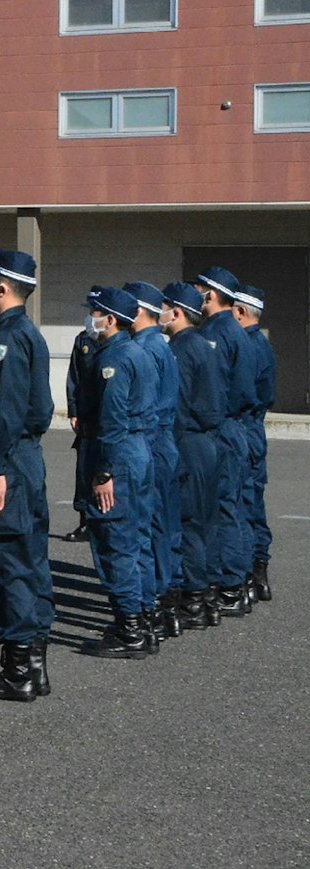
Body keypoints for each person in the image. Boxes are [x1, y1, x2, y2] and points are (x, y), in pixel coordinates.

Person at [0, 249, 56, 702]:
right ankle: (34, 662)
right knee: (30, 556)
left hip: (12, 460)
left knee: (9, 560)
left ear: (1, 288)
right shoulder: (28, 332)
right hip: (27, 458)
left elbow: (6, 409)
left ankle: (20, 668)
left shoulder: (8, 335)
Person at [76, 288, 155, 659]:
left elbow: (112, 417)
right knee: (135, 536)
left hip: (118, 454)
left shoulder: (116, 360)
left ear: (110, 319)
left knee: (115, 539)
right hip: (136, 451)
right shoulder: (134, 351)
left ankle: (130, 628)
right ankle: (142, 617)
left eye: (95, 313)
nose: (91, 319)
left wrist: (103, 471)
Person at [160, 282, 227, 631]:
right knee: (207, 522)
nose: (161, 313)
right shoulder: (205, 345)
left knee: (188, 523)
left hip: (187, 440)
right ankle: (210, 594)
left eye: (165, 306)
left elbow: (179, 402)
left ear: (178, 311)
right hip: (209, 442)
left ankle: (195, 599)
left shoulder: (182, 349)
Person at [193, 267, 257, 617]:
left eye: (199, 288)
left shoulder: (217, 333)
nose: (195, 293)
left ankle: (230, 585)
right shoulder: (234, 330)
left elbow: (213, 391)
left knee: (222, 510)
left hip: (223, 429)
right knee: (232, 507)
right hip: (236, 427)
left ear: (211, 294)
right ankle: (239, 581)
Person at [124, 281, 182, 641]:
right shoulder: (158, 344)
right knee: (163, 524)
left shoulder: (144, 348)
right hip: (163, 440)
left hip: (151, 440)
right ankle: (165, 599)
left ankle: (156, 603)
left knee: (149, 525)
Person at [232, 283, 275, 603]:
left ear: (241, 312)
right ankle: (258, 573)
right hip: (254, 428)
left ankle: (246, 575)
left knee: (242, 503)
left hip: (245, 426)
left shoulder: (247, 345)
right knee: (252, 503)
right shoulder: (260, 343)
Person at [60, 288, 106, 543]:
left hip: (106, 418)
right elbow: (74, 379)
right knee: (83, 473)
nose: (90, 317)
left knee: (105, 470)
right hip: (86, 419)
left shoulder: (115, 341)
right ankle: (85, 521)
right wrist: (74, 411)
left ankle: (102, 522)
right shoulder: (83, 341)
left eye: (95, 312)